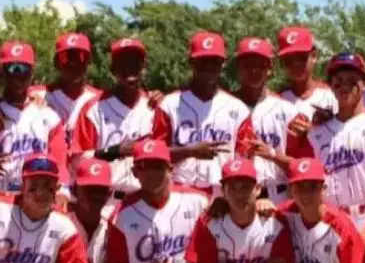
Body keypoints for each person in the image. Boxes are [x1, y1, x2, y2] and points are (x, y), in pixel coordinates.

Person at [287, 52, 365, 237]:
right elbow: (304, 180)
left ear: (364, 84)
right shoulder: (316, 134)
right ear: (331, 86)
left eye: (352, 80)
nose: (345, 85)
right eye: (339, 80)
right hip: (328, 220)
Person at [151, 31, 256, 194]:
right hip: (177, 191)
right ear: (191, 63)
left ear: (222, 63)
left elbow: (245, 161)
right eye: (202, 61)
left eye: (214, 61)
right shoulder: (169, 105)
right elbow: (154, 156)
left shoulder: (238, 109)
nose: (208, 67)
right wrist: (190, 151)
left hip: (222, 194)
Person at [0, 41, 69, 200]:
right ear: (1, 72)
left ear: (32, 72)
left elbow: (60, 167)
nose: (17, 74)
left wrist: (61, 196)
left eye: (24, 69)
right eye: (11, 68)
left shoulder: (49, 117)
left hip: (38, 199)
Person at [71, 38, 157, 202]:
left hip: (144, 200)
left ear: (143, 68)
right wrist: (114, 151)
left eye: (135, 63)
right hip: (104, 200)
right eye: (122, 63)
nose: (129, 68)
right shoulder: (93, 109)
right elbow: (76, 161)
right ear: (112, 69)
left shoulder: (154, 108)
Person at [232, 37, 303, 205]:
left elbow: (300, 165)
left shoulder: (288, 110)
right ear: (238, 69)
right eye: (247, 65)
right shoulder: (225, 107)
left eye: (260, 65)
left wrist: (272, 155)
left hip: (279, 195)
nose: (254, 71)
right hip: (237, 196)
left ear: (269, 68)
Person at [42, 32, 102, 156]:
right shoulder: (39, 94)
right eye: (66, 57)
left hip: (85, 170)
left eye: (80, 57)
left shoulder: (99, 100)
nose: (73, 63)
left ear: (88, 62)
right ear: (56, 63)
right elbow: (7, 101)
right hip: (47, 170)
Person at [276, 26, 336, 129]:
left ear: (313, 56)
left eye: (301, 57)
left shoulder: (331, 96)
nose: (296, 64)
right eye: (289, 60)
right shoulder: (277, 101)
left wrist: (316, 131)